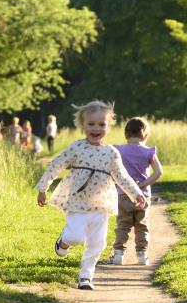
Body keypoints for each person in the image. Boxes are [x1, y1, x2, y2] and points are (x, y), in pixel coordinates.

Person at [36, 101, 146, 291]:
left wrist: (136, 193)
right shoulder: (76, 147)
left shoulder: (112, 153)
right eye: (91, 124)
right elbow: (56, 165)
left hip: (101, 205)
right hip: (77, 203)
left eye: (101, 124)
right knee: (76, 236)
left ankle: (86, 276)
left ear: (109, 126)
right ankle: (64, 240)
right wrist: (43, 188)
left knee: (98, 243)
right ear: (83, 125)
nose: (96, 128)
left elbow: (122, 177)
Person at [110, 117, 163, 266]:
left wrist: (120, 183)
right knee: (142, 225)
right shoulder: (148, 152)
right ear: (145, 135)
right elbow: (158, 172)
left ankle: (118, 254)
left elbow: (111, 171)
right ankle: (142, 255)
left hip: (123, 194)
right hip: (143, 196)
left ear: (125, 134)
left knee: (123, 225)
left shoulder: (118, 150)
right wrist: (142, 185)